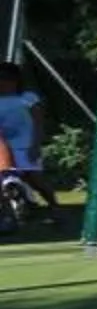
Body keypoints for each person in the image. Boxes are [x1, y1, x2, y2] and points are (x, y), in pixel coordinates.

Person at [0, 61, 58, 219]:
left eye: (6, 79)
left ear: (15, 80)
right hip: (4, 148)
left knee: (35, 180)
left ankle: (54, 207)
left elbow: (38, 124)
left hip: (25, 146)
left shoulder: (28, 98)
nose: (3, 83)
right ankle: (11, 213)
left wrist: (35, 145)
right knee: (6, 181)